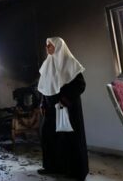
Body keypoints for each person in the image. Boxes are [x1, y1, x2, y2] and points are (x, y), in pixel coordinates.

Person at [36, 37, 89, 181]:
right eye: (47, 46)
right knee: (48, 137)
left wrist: (65, 101)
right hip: (50, 109)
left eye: (51, 46)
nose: (48, 49)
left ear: (59, 47)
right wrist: (42, 103)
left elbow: (80, 85)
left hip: (67, 109)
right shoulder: (47, 64)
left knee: (69, 139)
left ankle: (75, 171)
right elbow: (44, 87)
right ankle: (52, 167)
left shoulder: (70, 63)